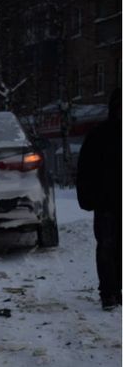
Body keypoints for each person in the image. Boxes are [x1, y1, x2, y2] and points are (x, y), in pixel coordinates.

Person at [76, 87, 121, 310]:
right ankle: (109, 293)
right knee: (107, 247)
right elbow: (85, 170)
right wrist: (86, 197)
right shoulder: (99, 135)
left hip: (106, 202)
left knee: (111, 248)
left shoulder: (97, 134)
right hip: (106, 203)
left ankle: (113, 291)